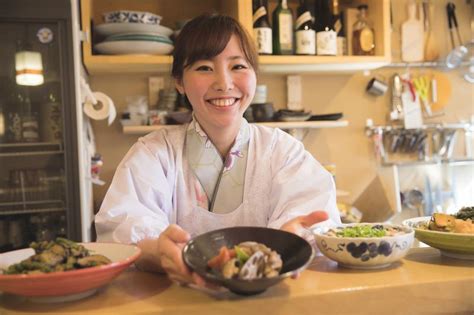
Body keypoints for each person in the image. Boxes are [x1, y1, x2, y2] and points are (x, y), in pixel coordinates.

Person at [95, 14, 340, 287]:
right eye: (204, 68)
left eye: (238, 66)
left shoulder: (282, 151)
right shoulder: (154, 154)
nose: (224, 83)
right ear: (179, 81)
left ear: (255, 75)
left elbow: (312, 219)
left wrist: (294, 238)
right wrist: (159, 251)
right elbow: (122, 228)